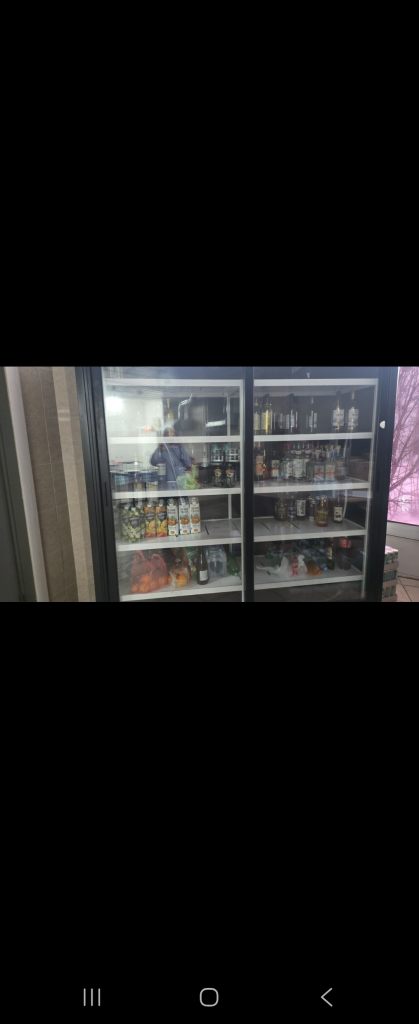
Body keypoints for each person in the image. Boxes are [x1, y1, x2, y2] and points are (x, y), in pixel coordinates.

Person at [150, 421, 192, 486]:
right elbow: (153, 461)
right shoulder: (162, 448)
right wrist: (160, 449)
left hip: (176, 481)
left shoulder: (179, 448)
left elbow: (188, 462)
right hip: (169, 482)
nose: (172, 435)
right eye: (170, 433)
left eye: (173, 433)